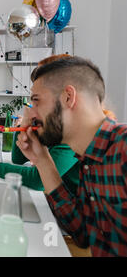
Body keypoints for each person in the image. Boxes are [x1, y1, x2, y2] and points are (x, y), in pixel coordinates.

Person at [15, 55, 127, 256]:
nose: (30, 115)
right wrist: (42, 161)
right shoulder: (88, 159)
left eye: (36, 102)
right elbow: (82, 234)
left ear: (68, 97)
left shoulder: (123, 148)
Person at [0, 54, 82, 192]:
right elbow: (18, 159)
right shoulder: (51, 123)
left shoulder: (73, 132)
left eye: (39, 97)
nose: (35, 103)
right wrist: (24, 125)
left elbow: (39, 180)